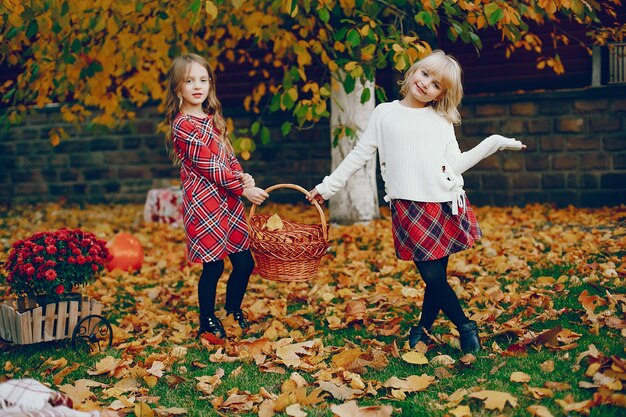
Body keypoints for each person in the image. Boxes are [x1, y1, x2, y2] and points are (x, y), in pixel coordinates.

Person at [308, 50, 525, 353]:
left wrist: (492, 144)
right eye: (425, 74)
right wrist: (329, 186)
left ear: (441, 95)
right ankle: (457, 325)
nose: (426, 84)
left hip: (443, 204)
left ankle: (433, 328)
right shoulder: (384, 112)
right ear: (413, 72)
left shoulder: (440, 120)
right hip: (409, 208)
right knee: (432, 277)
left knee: (436, 278)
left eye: (436, 84)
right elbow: (361, 153)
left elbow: (455, 164)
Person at [164, 53, 269, 339]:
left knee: (244, 262)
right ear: (177, 88)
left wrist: (243, 176)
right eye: (189, 81)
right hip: (205, 203)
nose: (197, 86)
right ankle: (207, 319)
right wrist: (243, 188)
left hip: (229, 201)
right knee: (214, 265)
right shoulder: (182, 125)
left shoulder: (214, 119)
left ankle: (233, 309)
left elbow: (227, 158)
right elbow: (209, 165)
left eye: (203, 80)